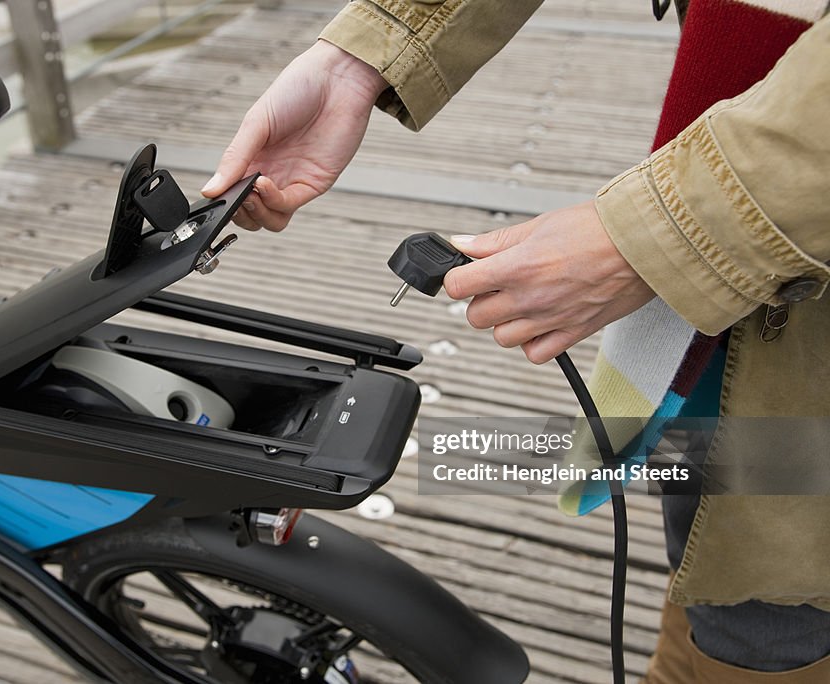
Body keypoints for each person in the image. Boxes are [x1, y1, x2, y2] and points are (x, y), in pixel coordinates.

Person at [201, 0, 830, 681]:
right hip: (738, 198)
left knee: (774, 585)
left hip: (796, 271)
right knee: (714, 509)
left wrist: (674, 229)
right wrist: (362, 56)